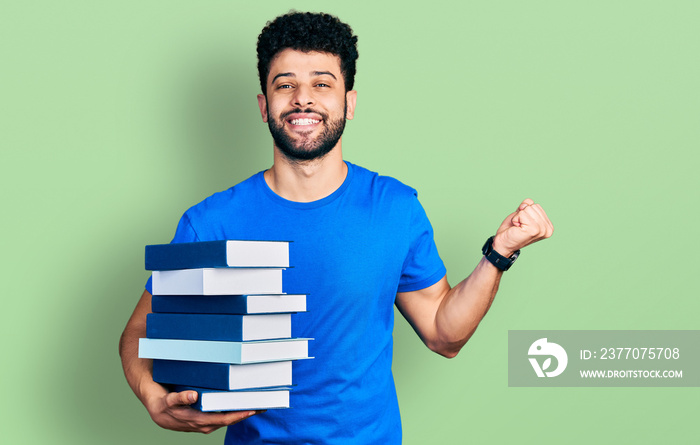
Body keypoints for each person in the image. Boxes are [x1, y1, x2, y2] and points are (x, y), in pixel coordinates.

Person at [119, 11, 553, 444]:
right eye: (284, 85)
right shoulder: (210, 222)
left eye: (322, 84)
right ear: (263, 105)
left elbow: (444, 334)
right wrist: (151, 396)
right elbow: (140, 330)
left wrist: (499, 252)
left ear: (349, 102)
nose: (302, 99)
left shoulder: (394, 209)